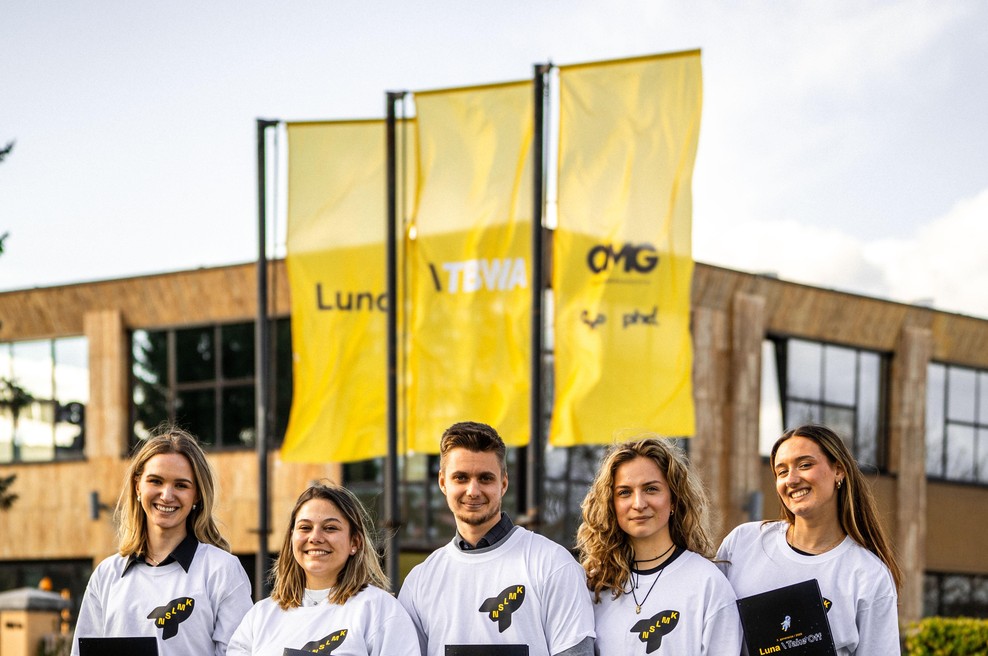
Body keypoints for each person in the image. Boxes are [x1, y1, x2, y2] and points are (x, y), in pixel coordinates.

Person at [398, 421, 595, 656]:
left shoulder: (552, 564)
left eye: (485, 478)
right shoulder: (420, 581)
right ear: (443, 482)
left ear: (503, 483)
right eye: (461, 478)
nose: (473, 490)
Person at [717, 423, 902, 655]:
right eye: (782, 471)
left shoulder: (868, 574)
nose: (792, 479)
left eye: (805, 465)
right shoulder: (743, 543)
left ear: (839, 470)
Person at [72, 426, 253, 656]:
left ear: (197, 494)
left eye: (181, 485)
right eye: (155, 481)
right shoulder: (106, 575)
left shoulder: (222, 571)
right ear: (138, 486)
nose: (167, 495)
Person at [576, 437, 742, 655]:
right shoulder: (594, 585)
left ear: (673, 499)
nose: (639, 504)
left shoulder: (707, 584)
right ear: (611, 504)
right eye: (625, 492)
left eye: (651, 489)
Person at [227, 482, 420, 656]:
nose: (315, 537)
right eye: (305, 527)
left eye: (330, 528)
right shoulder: (260, 616)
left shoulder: (379, 610)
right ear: (292, 538)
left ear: (355, 542)